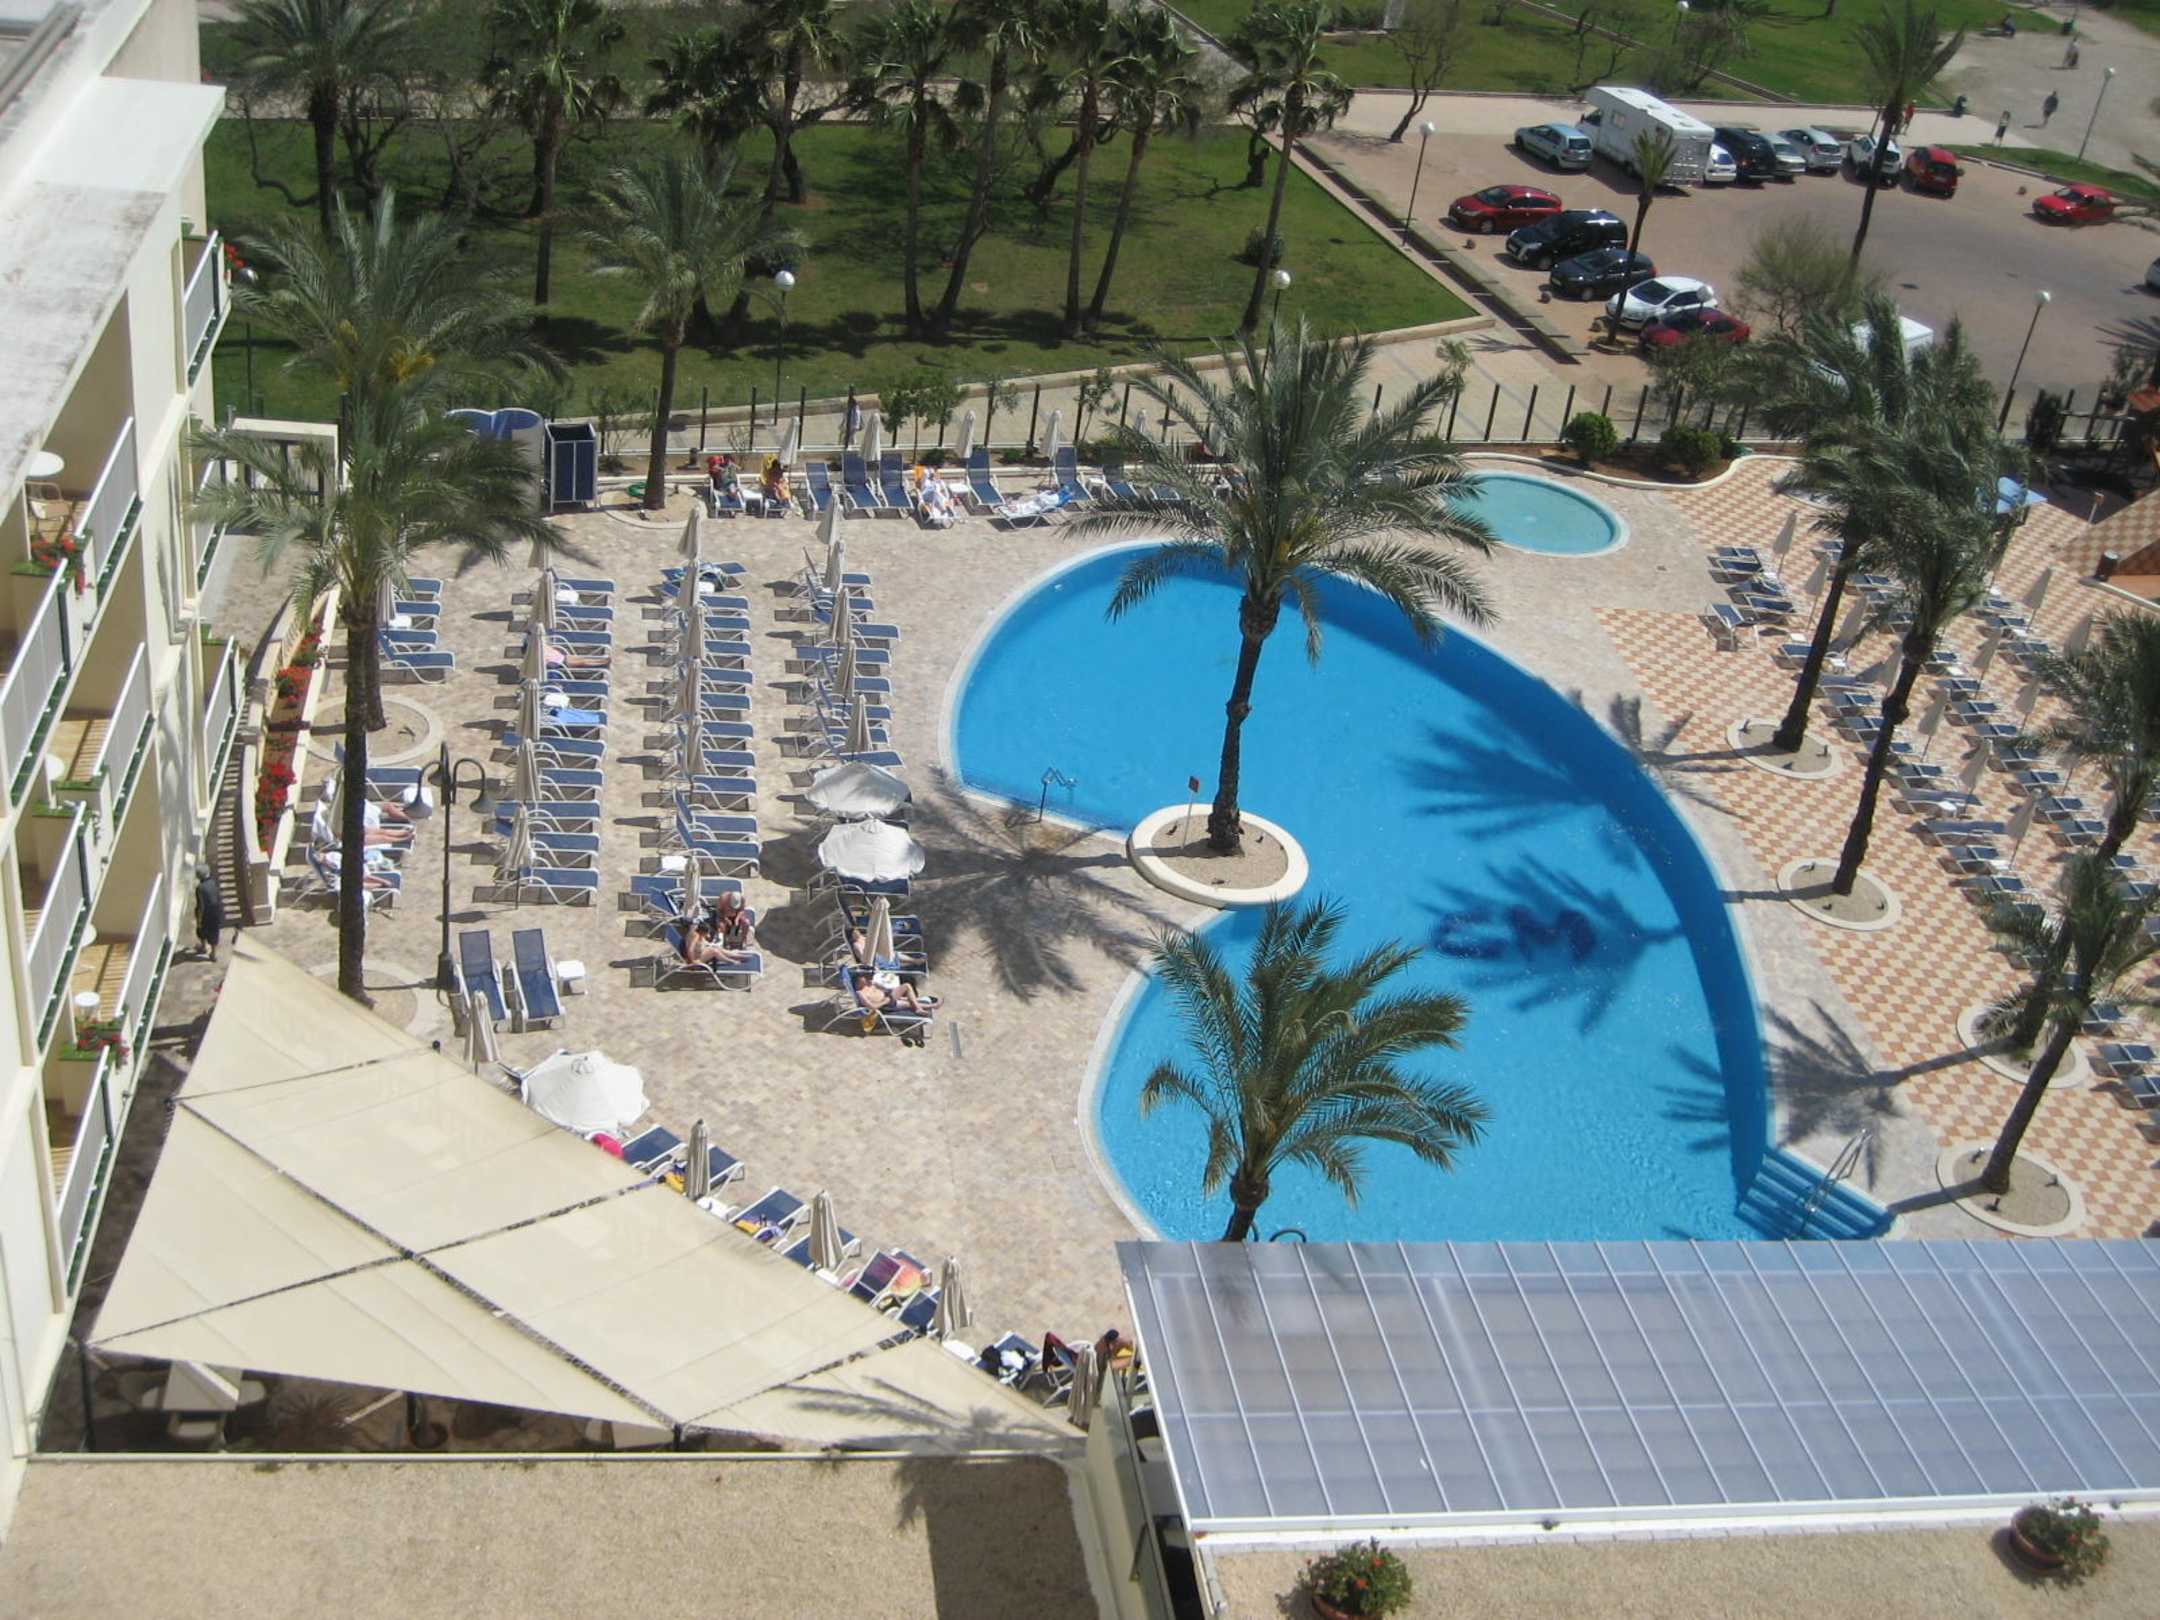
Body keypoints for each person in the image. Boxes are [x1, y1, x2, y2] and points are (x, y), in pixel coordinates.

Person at [193, 862, 225, 958]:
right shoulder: (214, 883)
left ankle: (203, 947)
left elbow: (201, 906)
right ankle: (213, 953)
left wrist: (199, 920)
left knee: (201, 931)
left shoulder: (200, 888)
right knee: (214, 932)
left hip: (206, 914)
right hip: (216, 912)